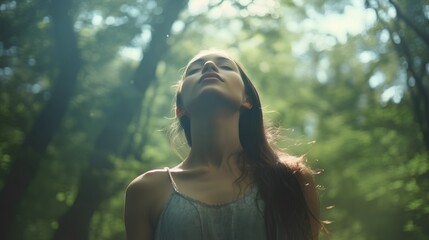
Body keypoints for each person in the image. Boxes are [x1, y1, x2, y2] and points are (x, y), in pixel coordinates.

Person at [124, 50, 321, 240]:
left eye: (225, 66)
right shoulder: (146, 190)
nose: (209, 66)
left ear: (247, 100)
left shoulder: (291, 179)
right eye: (193, 70)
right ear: (180, 109)